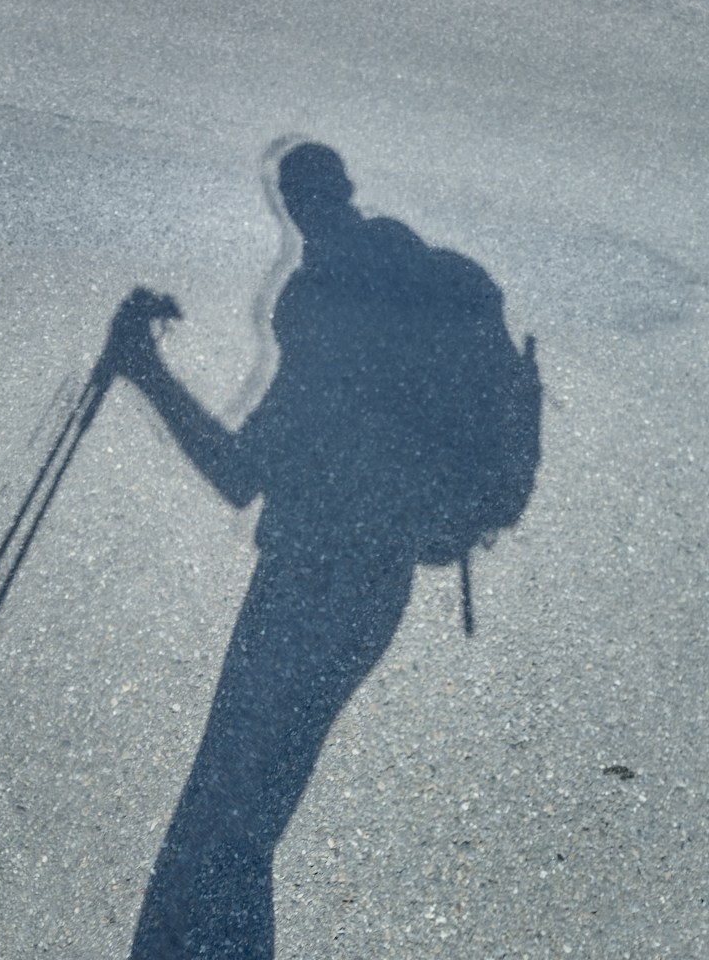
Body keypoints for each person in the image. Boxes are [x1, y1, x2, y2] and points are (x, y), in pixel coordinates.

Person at [111, 143, 540, 958]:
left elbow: (237, 474)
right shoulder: (417, 289)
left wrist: (145, 368)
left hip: (300, 587)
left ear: (296, 208)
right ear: (347, 192)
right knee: (259, 810)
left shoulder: (325, 311)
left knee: (225, 821)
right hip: (375, 592)